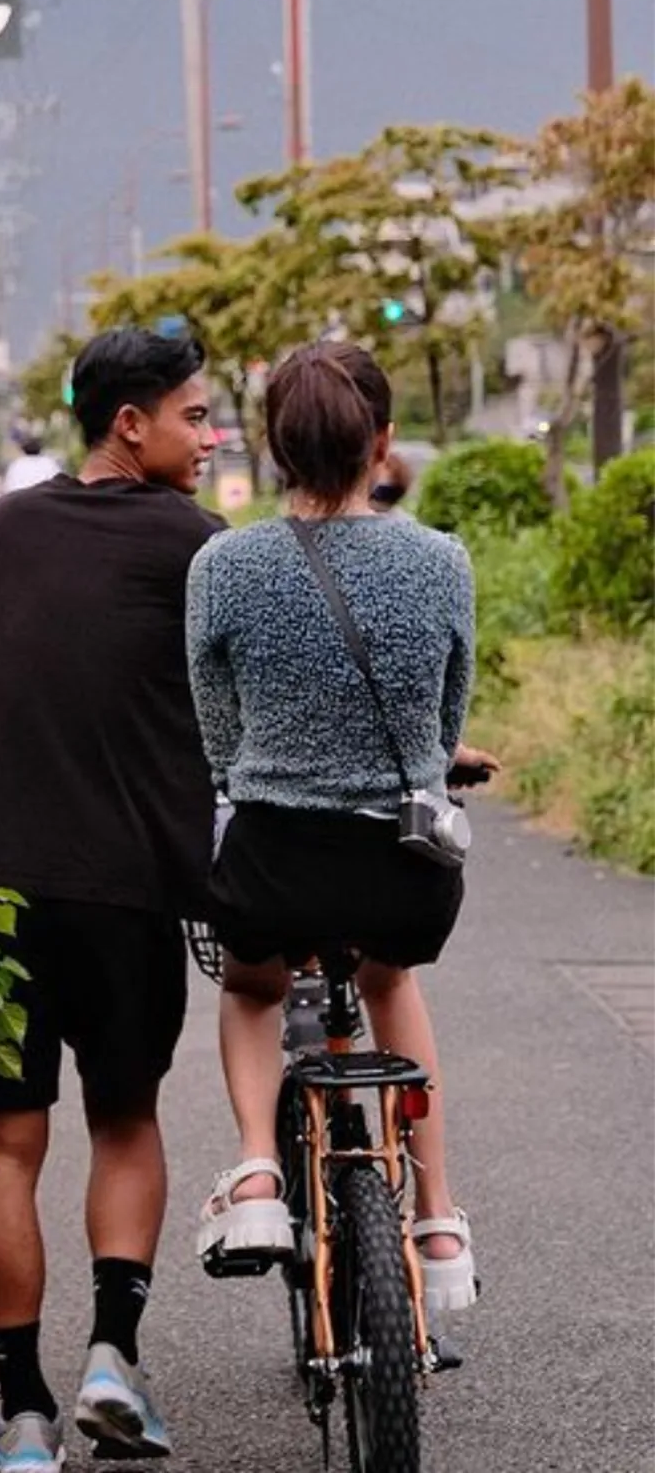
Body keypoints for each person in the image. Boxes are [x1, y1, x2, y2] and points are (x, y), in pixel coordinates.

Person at [0, 326, 221, 1470]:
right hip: (125, 881)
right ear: (128, 423)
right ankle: (112, 1358)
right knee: (124, 1118)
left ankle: (21, 1420)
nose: (208, 437)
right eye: (192, 416)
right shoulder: (197, 547)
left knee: (4, 1144)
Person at [185, 341, 479, 1314]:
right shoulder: (439, 560)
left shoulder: (222, 564)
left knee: (252, 985)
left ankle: (261, 1172)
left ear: (272, 451)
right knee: (390, 978)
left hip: (273, 857)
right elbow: (439, 726)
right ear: (382, 445)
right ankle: (435, 1216)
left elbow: (219, 736)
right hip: (398, 865)